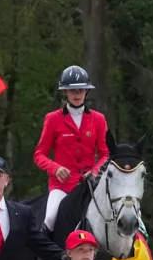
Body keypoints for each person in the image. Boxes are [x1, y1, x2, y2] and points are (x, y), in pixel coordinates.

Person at [33, 65, 109, 234]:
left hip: (90, 186)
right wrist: (55, 168)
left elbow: (106, 154)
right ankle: (44, 251)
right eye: (72, 90)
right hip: (62, 186)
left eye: (81, 90)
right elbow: (39, 155)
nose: (77, 94)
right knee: (50, 218)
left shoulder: (98, 119)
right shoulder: (53, 119)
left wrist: (96, 171)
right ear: (65, 92)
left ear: (86, 91)